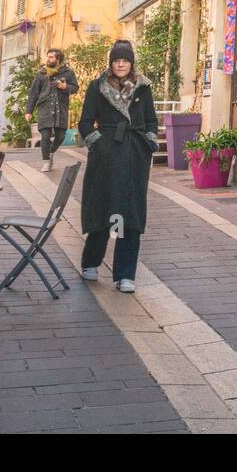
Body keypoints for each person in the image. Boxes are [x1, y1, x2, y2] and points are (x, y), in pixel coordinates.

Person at [77, 40, 157, 293]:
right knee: (104, 208)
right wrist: (98, 144)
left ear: (131, 62)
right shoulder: (97, 87)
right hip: (106, 156)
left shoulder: (143, 88)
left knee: (129, 214)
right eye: (116, 60)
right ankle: (91, 261)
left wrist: (149, 144)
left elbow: (151, 120)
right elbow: (86, 121)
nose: (121, 64)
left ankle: (125, 274)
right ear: (111, 63)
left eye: (125, 59)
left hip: (134, 155)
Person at [26, 48, 79, 172]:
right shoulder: (42, 73)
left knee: (60, 136)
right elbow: (34, 93)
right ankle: (46, 161)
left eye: (51, 57)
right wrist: (28, 111)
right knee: (45, 136)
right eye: (48, 56)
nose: (48, 59)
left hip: (60, 108)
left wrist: (65, 86)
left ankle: (50, 152)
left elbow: (75, 87)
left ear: (58, 59)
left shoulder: (68, 73)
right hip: (45, 108)